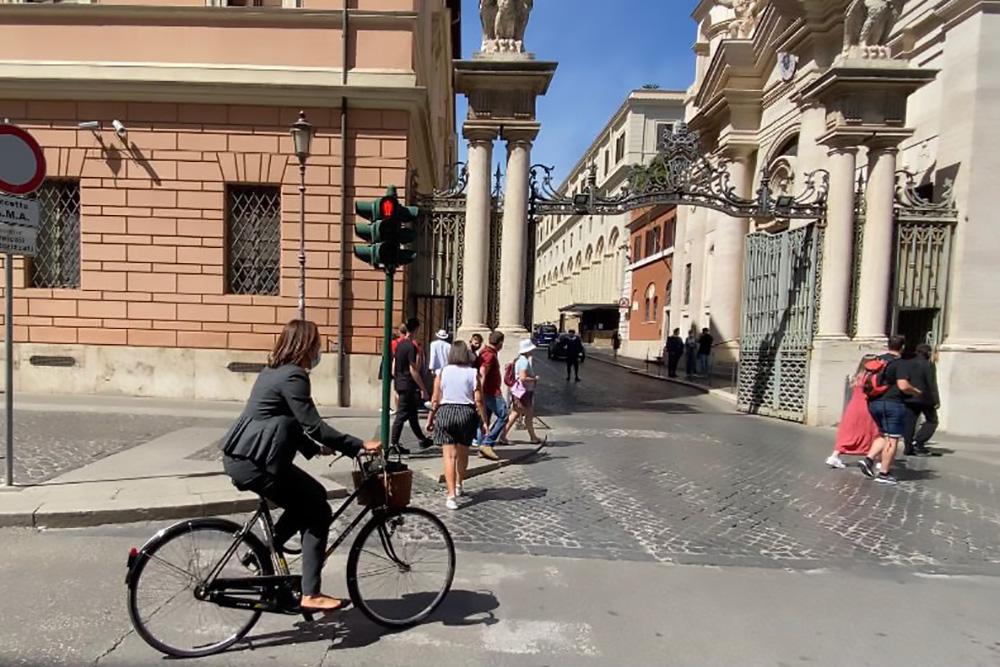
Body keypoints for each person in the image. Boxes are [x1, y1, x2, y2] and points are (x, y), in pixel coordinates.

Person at [220, 320, 381, 613]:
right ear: (305, 345)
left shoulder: (273, 372)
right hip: (255, 462)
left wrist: (316, 449)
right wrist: (358, 444)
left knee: (305, 501)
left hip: (245, 457)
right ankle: (311, 593)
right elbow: (313, 425)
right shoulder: (294, 376)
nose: (319, 350)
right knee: (318, 507)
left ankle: (262, 554)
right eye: (317, 344)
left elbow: (285, 420)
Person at [426, 341, 488, 510]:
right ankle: (459, 483)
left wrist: (431, 419)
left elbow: (435, 399)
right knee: (463, 453)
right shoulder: (473, 373)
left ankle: (451, 495)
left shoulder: (443, 372)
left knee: (449, 457)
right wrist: (484, 421)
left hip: (445, 412)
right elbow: (479, 400)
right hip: (466, 413)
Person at [857, 335, 922, 485]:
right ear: (903, 347)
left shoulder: (878, 359)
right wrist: (916, 391)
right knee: (892, 439)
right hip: (891, 403)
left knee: (883, 433)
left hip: (874, 403)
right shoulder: (900, 363)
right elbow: (903, 385)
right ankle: (884, 473)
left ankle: (868, 460)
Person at [826, 356, 881, 469]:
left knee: (848, 432)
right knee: (875, 432)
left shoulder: (856, 377)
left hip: (853, 407)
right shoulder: (872, 377)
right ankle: (878, 458)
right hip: (867, 407)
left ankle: (835, 456)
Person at [390, 317, 433, 455]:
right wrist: (423, 388)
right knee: (401, 415)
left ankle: (422, 439)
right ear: (416, 329)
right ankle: (393, 444)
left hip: (400, 382)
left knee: (412, 414)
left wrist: (397, 379)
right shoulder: (410, 346)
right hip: (408, 384)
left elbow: (394, 366)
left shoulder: (400, 344)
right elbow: (413, 369)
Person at [500, 339, 543, 444]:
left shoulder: (520, 360)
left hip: (520, 392)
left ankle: (503, 436)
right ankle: (533, 437)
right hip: (524, 392)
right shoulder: (523, 361)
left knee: (515, 413)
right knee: (528, 414)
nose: (532, 351)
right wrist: (534, 379)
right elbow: (523, 377)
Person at [902, 343, 939, 456]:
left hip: (910, 396)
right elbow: (932, 383)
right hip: (925, 398)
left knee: (910, 422)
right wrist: (936, 400)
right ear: (927, 353)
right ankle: (918, 442)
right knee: (932, 420)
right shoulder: (928, 364)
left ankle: (908, 447)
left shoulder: (907, 363)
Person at [477, 331, 507, 461]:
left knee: (485, 420)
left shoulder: (485, 352)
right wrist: (480, 392)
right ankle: (487, 443)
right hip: (491, 393)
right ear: (500, 342)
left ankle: (481, 447)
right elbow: (483, 372)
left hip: (487, 392)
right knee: (504, 414)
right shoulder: (489, 355)